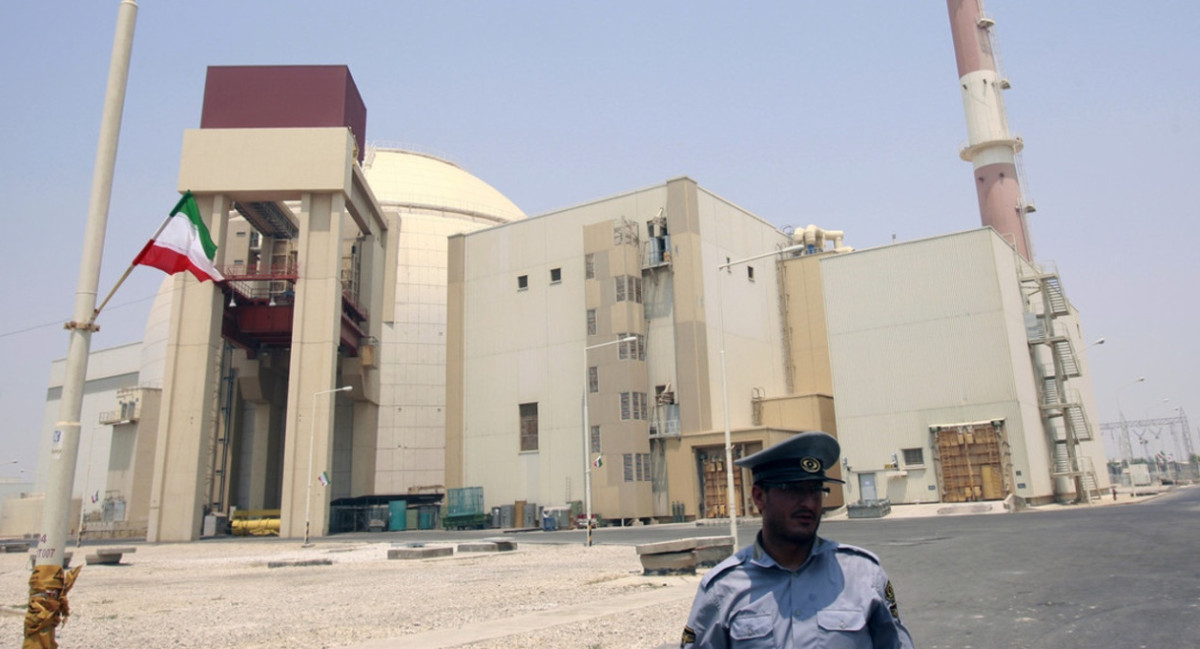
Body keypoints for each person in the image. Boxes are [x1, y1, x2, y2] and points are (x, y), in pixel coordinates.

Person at [681, 431, 915, 648]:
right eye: (794, 490)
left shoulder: (862, 575)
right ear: (759, 497)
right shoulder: (724, 588)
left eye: (815, 490)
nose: (809, 503)